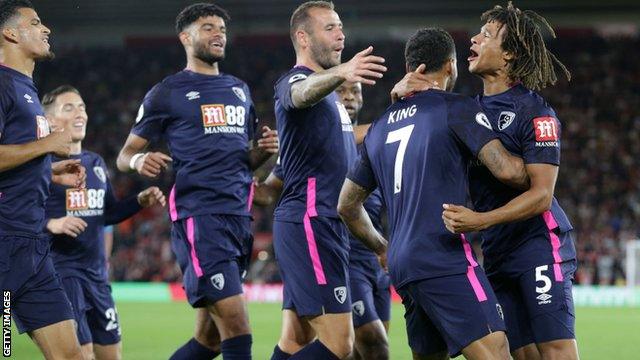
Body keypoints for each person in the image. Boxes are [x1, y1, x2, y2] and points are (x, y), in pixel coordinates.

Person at [393, 3, 578, 359]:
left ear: (509, 54)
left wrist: (481, 221)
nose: (474, 39)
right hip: (496, 252)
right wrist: (404, 102)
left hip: (537, 244)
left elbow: (542, 196)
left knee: (556, 352)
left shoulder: (535, 112)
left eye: (487, 35)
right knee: (521, 354)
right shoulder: (464, 111)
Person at [338, 27, 531, 360]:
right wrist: (543, 161)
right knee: (497, 352)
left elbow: (346, 205)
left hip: (402, 263)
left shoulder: (380, 126)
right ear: (450, 66)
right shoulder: (455, 108)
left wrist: (381, 247)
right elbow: (508, 171)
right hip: (443, 256)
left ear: (413, 68)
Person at [116, 3, 278, 360]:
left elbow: (243, 162)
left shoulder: (239, 89)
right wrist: (141, 159)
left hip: (238, 215)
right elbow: (125, 155)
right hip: (200, 214)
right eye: (208, 27)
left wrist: (263, 151)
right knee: (238, 326)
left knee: (210, 340)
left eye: (221, 27)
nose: (219, 33)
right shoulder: (168, 91)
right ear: (185, 37)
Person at [268, 1, 387, 359]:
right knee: (339, 344)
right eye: (330, 28)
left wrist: (379, 246)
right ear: (303, 37)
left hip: (327, 227)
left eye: (341, 27)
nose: (341, 34)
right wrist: (343, 72)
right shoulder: (293, 82)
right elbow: (300, 93)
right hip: (309, 223)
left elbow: (347, 195)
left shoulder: (335, 105)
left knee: (295, 340)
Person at [254, 81, 390, 360]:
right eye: (343, 91)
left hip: (372, 253)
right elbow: (267, 192)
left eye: (357, 92)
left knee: (299, 338)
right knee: (365, 343)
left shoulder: (374, 145)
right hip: (335, 250)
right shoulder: (314, 144)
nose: (350, 97)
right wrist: (238, 175)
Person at [42, 85, 166, 360]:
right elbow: (16, 215)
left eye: (82, 107)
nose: (80, 113)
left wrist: (139, 201)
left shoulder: (95, 163)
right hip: (63, 273)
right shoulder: (41, 166)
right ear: (50, 120)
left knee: (112, 355)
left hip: (98, 278)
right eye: (69, 108)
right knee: (81, 354)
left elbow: (107, 214)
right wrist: (52, 223)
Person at [0, 1, 86, 359]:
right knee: (4, 348)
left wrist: (49, 171)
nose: (45, 28)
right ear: (9, 33)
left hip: (33, 247)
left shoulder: (26, 89)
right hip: (4, 243)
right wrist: (48, 144)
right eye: (34, 23)